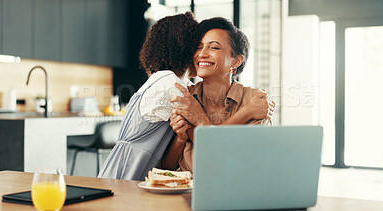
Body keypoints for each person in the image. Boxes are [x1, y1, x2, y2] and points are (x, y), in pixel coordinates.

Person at [161, 17, 276, 172]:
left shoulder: (256, 101)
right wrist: (181, 138)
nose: (202, 54)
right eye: (198, 47)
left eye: (213, 48)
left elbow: (240, 163)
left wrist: (200, 120)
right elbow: (167, 167)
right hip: (182, 192)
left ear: (236, 61)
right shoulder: (185, 97)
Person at [97, 12, 199, 180]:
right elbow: (205, 130)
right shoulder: (170, 84)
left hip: (121, 167)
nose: (201, 54)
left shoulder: (161, 79)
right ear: (186, 47)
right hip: (128, 172)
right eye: (198, 46)